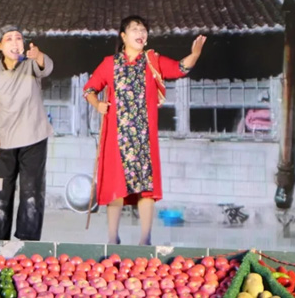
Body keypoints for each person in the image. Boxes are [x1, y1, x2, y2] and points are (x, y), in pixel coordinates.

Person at [83, 15, 206, 245]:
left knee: (146, 188)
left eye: (143, 30)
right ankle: (112, 238)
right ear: (123, 36)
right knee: (115, 186)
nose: (141, 33)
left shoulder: (152, 62)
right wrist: (97, 104)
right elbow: (89, 88)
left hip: (143, 138)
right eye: (135, 29)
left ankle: (145, 238)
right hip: (117, 137)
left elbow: (179, 68)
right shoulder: (110, 63)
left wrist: (195, 54)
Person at [0, 25, 54, 241]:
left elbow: (46, 67)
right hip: (2, 142)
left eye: (19, 38)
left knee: (31, 194)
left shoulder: (30, 64)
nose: (15, 43)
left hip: (33, 139)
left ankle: (27, 245)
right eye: (9, 39)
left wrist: (39, 55)